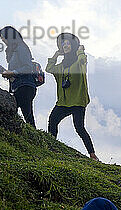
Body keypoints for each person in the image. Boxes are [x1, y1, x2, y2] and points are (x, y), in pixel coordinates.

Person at [45, 33, 99, 161]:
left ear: (73, 46)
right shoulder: (61, 66)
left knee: (79, 128)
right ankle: (50, 146)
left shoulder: (79, 63)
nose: (65, 46)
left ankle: (92, 155)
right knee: (52, 120)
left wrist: (80, 51)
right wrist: (56, 55)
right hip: (63, 102)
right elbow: (49, 68)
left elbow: (82, 61)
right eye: (63, 44)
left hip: (77, 101)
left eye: (68, 43)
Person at [0, 26, 37, 127]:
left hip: (26, 86)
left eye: (3, 38)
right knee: (24, 115)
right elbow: (9, 73)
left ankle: (32, 138)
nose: (3, 40)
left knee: (22, 114)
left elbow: (27, 67)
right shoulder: (12, 50)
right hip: (18, 87)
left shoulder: (21, 48)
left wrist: (13, 72)